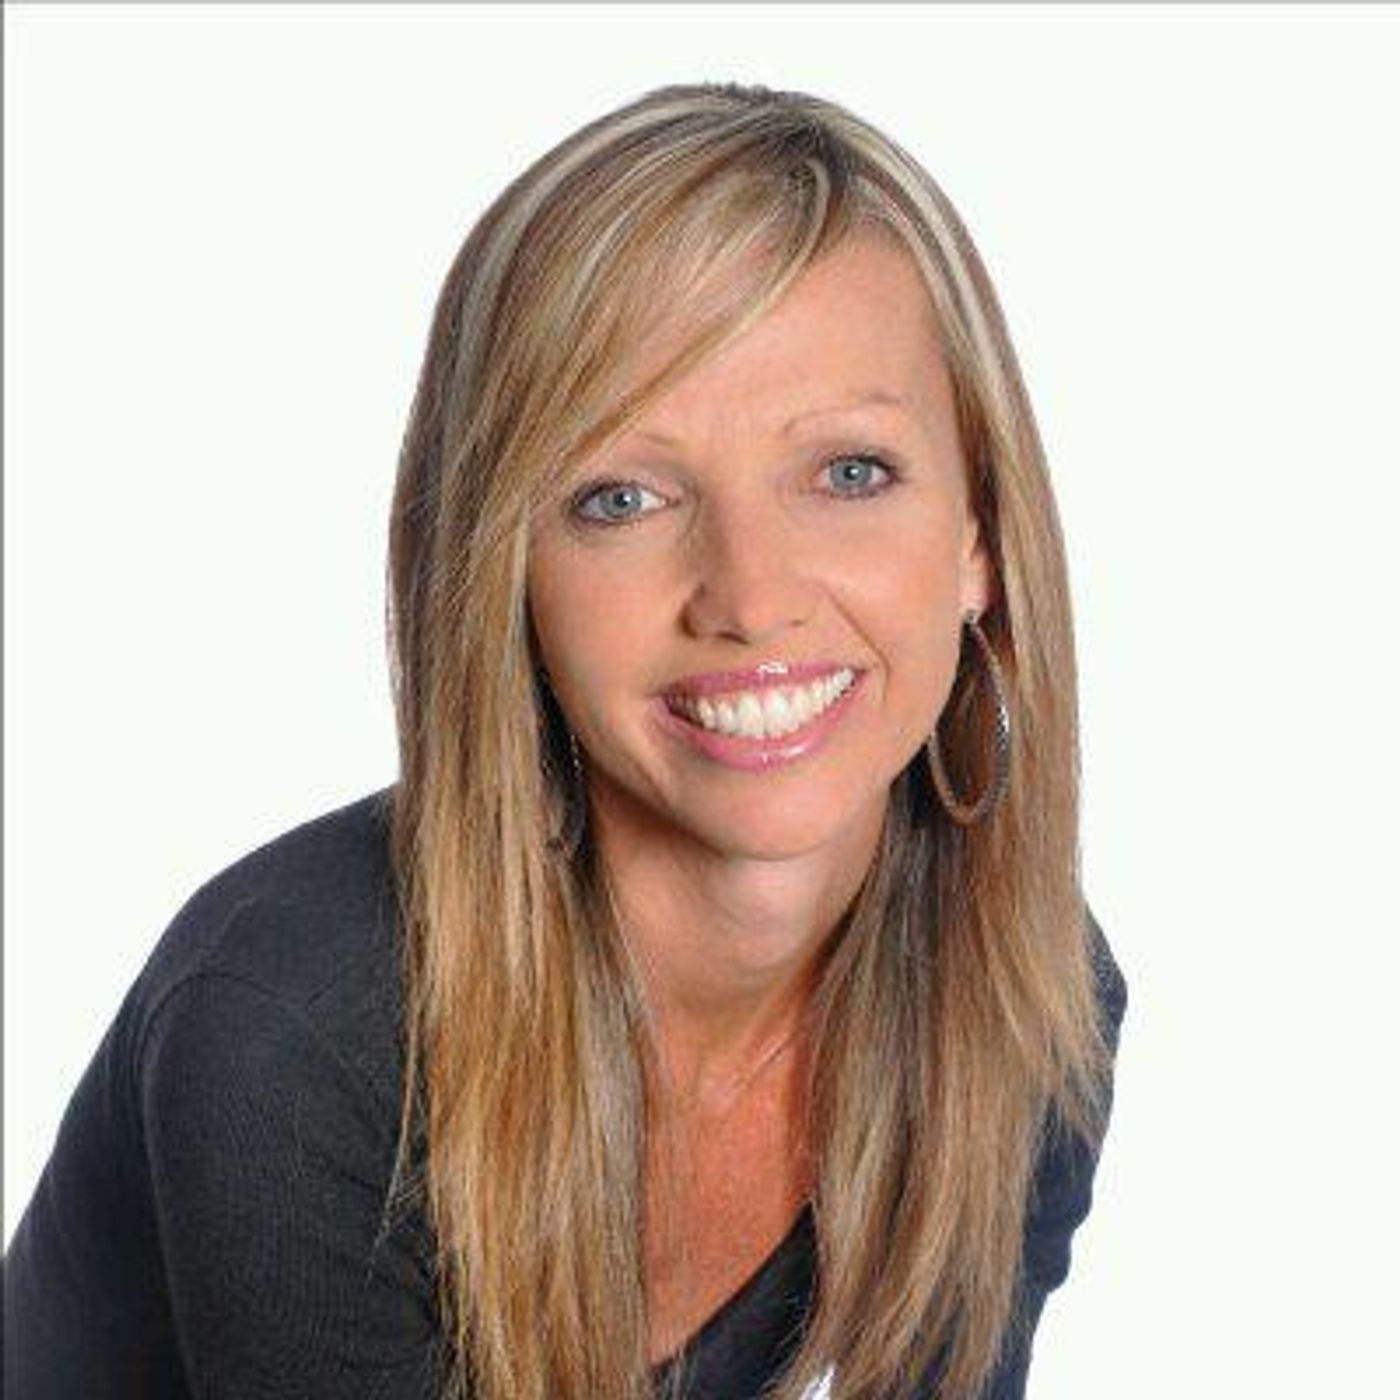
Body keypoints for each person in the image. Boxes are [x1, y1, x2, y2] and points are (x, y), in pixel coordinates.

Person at [4, 81, 1127, 1400]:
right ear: (506, 577)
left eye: (850, 472)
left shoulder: (1023, 1004)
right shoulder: (302, 1032)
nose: (751, 595)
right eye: (622, 497)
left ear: (979, 536)